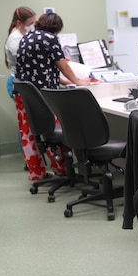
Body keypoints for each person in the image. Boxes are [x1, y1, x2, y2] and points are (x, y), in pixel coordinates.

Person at [14, 12, 89, 180]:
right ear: (56, 29)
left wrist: (63, 82)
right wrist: (77, 81)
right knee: (53, 130)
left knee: (28, 133)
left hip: (24, 94)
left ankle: (36, 173)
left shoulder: (27, 37)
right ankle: (61, 170)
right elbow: (61, 64)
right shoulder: (50, 38)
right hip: (44, 96)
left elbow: (42, 67)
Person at [4, 6, 36, 99]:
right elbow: (24, 62)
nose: (33, 26)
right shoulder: (15, 39)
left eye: (34, 22)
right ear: (19, 23)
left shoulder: (25, 35)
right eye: (31, 23)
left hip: (25, 81)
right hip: (19, 82)